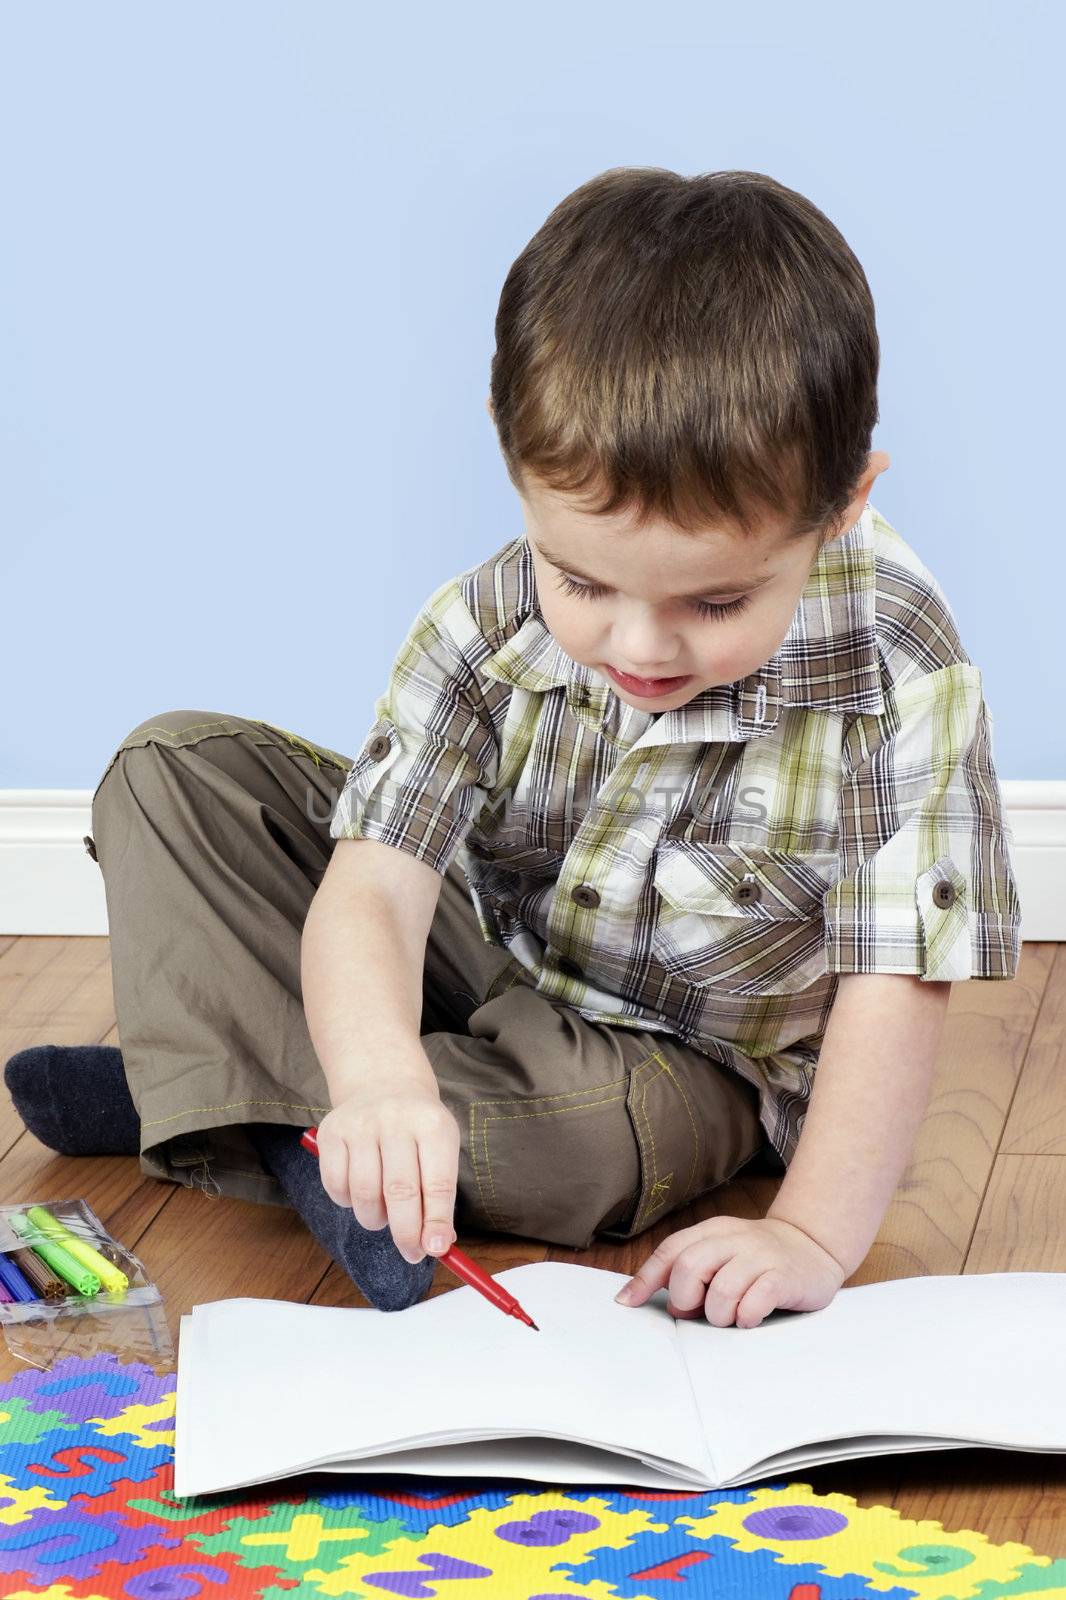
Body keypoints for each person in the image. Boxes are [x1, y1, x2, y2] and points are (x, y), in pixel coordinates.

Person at [5, 168, 1021, 1329]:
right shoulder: (485, 620)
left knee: (588, 1144)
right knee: (170, 768)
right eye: (582, 580)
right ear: (513, 457)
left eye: (716, 603)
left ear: (840, 506)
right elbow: (377, 889)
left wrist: (807, 1232)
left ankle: (216, 1092)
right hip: (489, 967)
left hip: (678, 1069)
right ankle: (322, 1109)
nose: (636, 644)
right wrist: (383, 1073)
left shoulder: (900, 664)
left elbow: (899, 983)